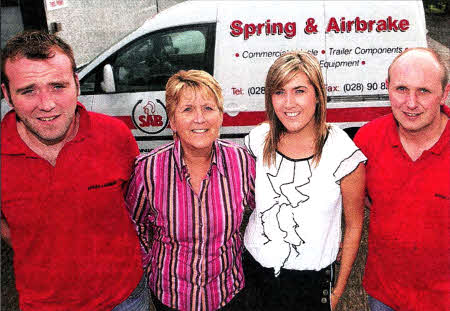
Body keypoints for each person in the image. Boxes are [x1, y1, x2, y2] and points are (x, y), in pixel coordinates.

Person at [1, 31, 149, 311]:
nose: (46, 104)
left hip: (126, 298)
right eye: (28, 90)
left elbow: (134, 205)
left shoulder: (115, 136)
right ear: (7, 95)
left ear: (77, 86)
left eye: (58, 86)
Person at [242, 51, 366, 311]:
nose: (289, 103)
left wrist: (338, 290)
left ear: (318, 95)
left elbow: (354, 226)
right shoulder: (258, 139)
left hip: (310, 281)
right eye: (279, 92)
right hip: (254, 272)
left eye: (299, 90)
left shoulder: (343, 153)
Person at [125, 69, 256, 311]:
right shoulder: (148, 170)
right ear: (172, 121)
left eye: (208, 108)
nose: (200, 118)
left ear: (220, 116)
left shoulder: (242, 163)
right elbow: (137, 225)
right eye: (187, 109)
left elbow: (264, 212)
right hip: (171, 297)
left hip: (228, 294)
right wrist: (151, 263)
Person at [354, 48, 450, 310]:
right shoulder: (366, 140)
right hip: (385, 296)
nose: (410, 102)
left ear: (444, 92)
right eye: (401, 89)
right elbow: (365, 199)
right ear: (387, 88)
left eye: (424, 91)